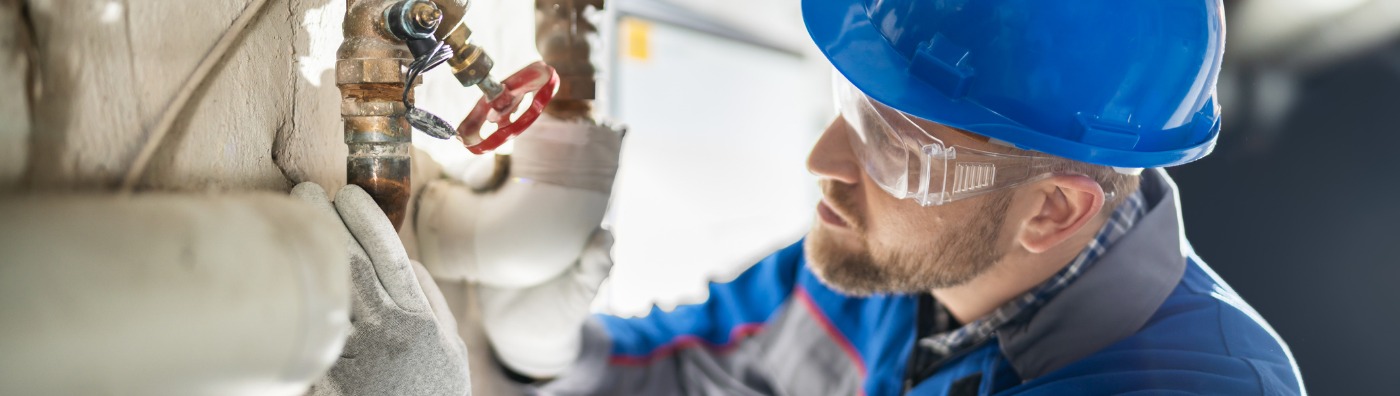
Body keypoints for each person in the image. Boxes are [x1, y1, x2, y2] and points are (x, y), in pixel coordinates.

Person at [315, 0, 1306, 394]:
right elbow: (681, 371)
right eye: (847, 106)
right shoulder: (881, 268)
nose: (823, 161)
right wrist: (540, 350)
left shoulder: (1187, 391)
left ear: (1052, 212)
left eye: (895, 144)